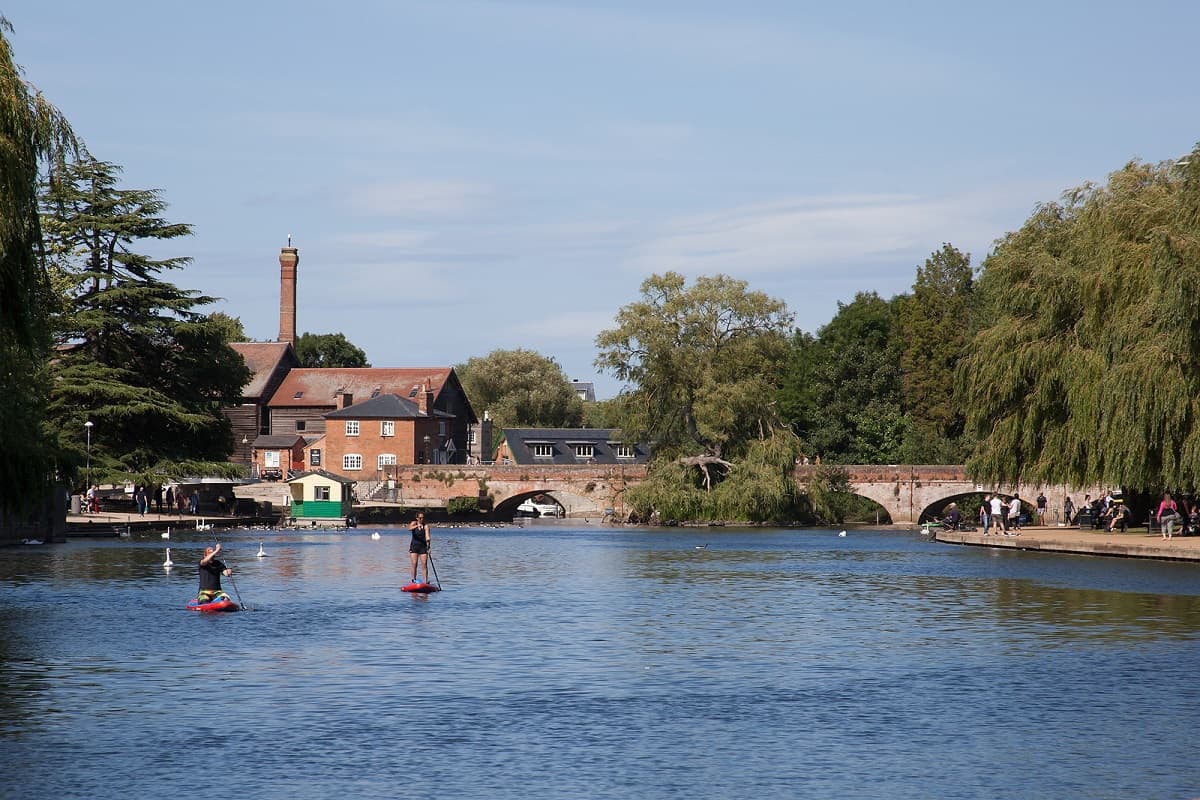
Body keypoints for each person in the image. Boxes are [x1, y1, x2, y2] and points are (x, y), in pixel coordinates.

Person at [408, 512, 432, 584]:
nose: (422, 519)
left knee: (424, 564)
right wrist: (417, 526)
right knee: (414, 563)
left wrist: (428, 547)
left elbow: (427, 537)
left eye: (423, 518)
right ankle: (413, 580)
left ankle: (425, 581)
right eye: (420, 518)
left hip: (423, 547)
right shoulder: (413, 523)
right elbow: (409, 528)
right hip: (414, 546)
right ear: (417, 518)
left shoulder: (426, 526)